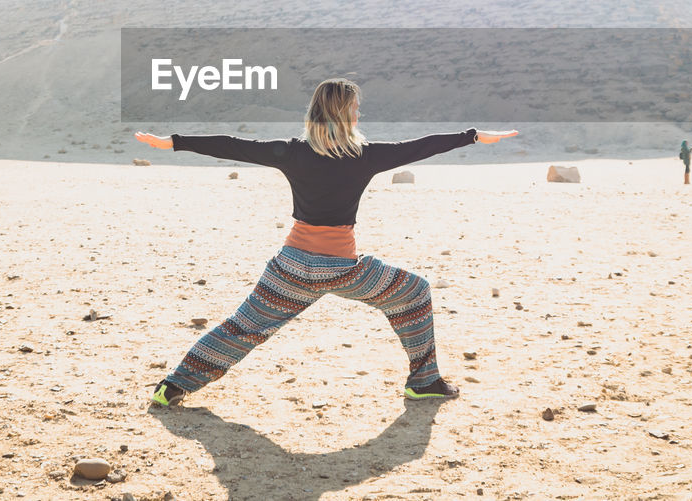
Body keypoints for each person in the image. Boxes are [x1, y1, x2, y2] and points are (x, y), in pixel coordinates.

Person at [135, 77, 518, 407]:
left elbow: (233, 145)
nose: (358, 115)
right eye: (355, 109)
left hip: (290, 266)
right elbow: (420, 145)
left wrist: (172, 142)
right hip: (340, 269)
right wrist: (471, 136)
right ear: (342, 113)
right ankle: (424, 382)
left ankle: (172, 387)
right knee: (414, 293)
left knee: (242, 328)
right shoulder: (366, 156)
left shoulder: (293, 152)